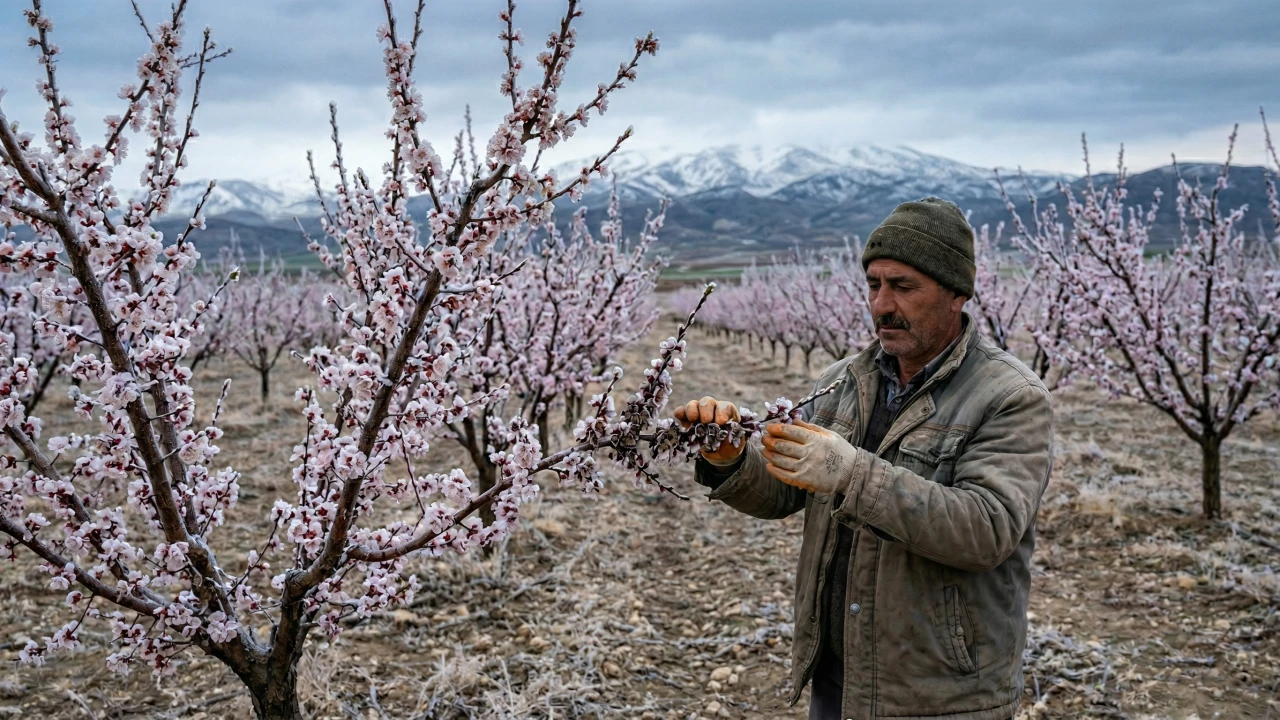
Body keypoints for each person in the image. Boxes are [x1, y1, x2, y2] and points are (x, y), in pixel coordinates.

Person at [674, 197, 1053, 720]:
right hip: (840, 672)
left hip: (940, 695)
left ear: (956, 294)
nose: (881, 304)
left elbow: (987, 528)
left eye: (903, 286)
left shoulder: (1010, 396)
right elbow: (789, 491)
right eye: (874, 285)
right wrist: (732, 460)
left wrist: (851, 472)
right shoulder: (842, 380)